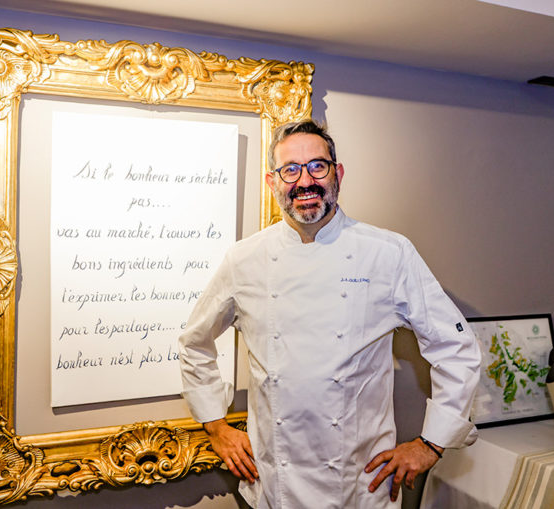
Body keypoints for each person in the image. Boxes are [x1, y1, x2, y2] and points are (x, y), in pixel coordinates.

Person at [178, 120, 481, 508]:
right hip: (275, 485)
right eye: (290, 170)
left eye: (317, 166)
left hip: (358, 486)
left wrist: (431, 443)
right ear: (272, 183)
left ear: (337, 174)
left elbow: (456, 347)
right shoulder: (245, 259)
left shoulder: (388, 253)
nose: (305, 181)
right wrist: (215, 426)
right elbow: (194, 343)